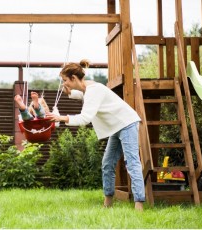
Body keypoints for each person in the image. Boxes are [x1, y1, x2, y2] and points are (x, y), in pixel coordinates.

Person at [46, 59, 145, 211]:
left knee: (132, 163)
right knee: (107, 163)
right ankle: (108, 203)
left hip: (126, 123)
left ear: (74, 78)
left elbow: (85, 118)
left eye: (65, 80)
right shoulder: (89, 86)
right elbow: (83, 95)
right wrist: (70, 93)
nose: (64, 83)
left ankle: (139, 204)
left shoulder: (93, 90)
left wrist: (61, 118)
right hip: (116, 127)